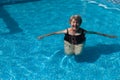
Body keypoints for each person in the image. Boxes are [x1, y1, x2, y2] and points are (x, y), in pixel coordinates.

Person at [37, 15, 117, 56]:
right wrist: (43, 36)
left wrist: (108, 35)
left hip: (79, 43)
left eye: (77, 22)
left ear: (80, 23)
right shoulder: (66, 31)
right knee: (68, 54)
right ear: (70, 23)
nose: (75, 24)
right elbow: (54, 33)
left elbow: (95, 32)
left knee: (78, 54)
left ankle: (77, 48)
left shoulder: (83, 31)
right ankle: (71, 48)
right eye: (73, 22)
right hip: (68, 43)